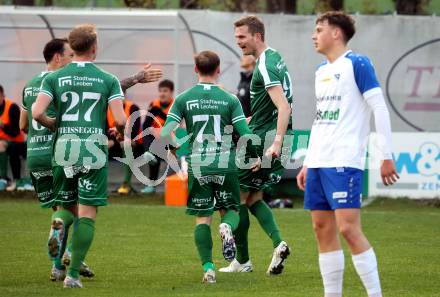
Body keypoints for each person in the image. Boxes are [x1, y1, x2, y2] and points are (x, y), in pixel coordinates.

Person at [296, 11, 399, 297]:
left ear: (336, 33)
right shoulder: (320, 71)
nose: (313, 35)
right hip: (319, 162)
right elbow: (320, 120)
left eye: (319, 29)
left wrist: (385, 155)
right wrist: (308, 162)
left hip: (344, 160)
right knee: (320, 228)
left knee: (348, 229)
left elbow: (379, 108)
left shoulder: (358, 63)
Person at [33, 24, 128, 288]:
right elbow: (120, 119)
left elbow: (37, 113)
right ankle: (73, 275)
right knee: (87, 213)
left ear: (72, 48)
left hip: (63, 148)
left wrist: (56, 125)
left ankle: (58, 225)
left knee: (66, 208)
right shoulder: (108, 79)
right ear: (94, 48)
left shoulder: (53, 78)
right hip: (93, 149)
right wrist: (119, 132)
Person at [160, 51, 260, 283]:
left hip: (198, 163)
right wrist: (255, 156)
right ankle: (226, 227)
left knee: (202, 218)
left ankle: (208, 269)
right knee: (232, 210)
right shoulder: (230, 99)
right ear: (218, 70)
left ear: (196, 69)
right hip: (225, 161)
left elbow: (165, 132)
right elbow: (244, 132)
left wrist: (174, 146)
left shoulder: (183, 98)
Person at [220, 15, 293, 275]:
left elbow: (284, 106)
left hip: (263, 140)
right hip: (271, 134)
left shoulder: (263, 66)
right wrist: (253, 119)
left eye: (242, 37)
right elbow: (274, 106)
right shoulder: (275, 58)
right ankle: (278, 243)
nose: (238, 42)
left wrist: (275, 143)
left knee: (234, 198)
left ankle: (242, 261)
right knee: (254, 197)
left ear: (257, 36)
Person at [141, 79, 175, 193]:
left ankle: (152, 184)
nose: (162, 94)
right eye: (160, 91)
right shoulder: (153, 104)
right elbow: (145, 126)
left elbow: (175, 126)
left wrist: (159, 132)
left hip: (171, 141)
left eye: (165, 91)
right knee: (149, 136)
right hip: (155, 140)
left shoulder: (175, 105)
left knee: (156, 145)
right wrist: (154, 131)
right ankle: (149, 154)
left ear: (171, 92)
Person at [107, 98, 143, 195]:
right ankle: (95, 184)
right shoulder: (107, 109)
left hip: (134, 144)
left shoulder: (133, 108)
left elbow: (134, 132)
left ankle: (126, 184)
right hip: (115, 143)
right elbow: (104, 129)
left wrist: (114, 141)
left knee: (126, 144)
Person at [0, 84, 28, 191]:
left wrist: (3, 126)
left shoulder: (12, 107)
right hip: (3, 142)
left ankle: (4, 179)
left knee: (4, 147)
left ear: (3, 95)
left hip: (16, 141)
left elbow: (16, 132)